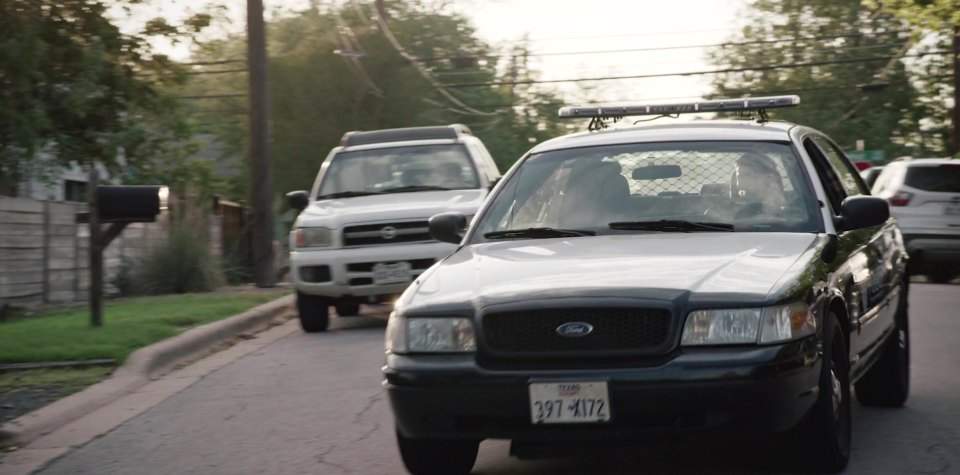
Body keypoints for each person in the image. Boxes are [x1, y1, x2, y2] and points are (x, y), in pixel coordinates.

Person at [730, 152, 786, 219]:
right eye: (738, 175)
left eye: (747, 175)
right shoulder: (744, 204)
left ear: (767, 178)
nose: (739, 179)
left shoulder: (778, 205)